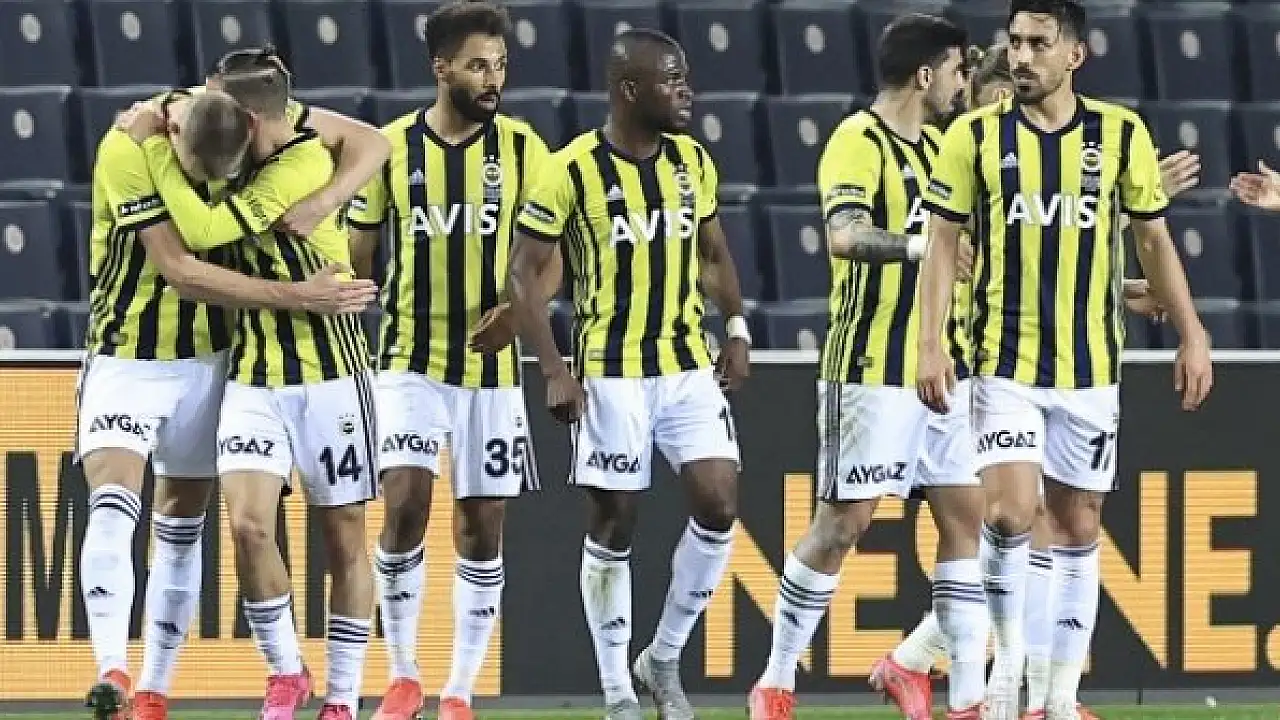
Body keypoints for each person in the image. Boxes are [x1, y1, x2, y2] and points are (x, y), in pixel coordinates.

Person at [870, 41, 1203, 720]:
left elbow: (1054, 260)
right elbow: (1011, 257)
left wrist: (1128, 278)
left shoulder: (1046, 157)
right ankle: (991, 688)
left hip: (1040, 365)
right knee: (1008, 525)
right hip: (978, 363)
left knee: (1030, 533)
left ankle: (965, 679)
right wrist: (1126, 212)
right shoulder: (972, 166)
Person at [79, 56, 383, 720]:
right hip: (204, 364)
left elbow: (371, 140)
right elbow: (182, 263)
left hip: (309, 366)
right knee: (230, 522)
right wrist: (152, 145)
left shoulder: (291, 153)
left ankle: (339, 698)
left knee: (339, 534)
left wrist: (325, 200)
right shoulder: (144, 141)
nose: (212, 178)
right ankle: (137, 673)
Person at [505, 28, 749, 720]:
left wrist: (736, 326)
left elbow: (713, 253)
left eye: (685, 77)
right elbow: (523, 274)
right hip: (610, 373)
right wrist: (553, 368)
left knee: (719, 505)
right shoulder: (570, 170)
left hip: (685, 365)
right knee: (616, 519)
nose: (687, 91)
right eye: (672, 80)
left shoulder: (692, 161)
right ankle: (617, 691)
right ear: (630, 90)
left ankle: (662, 657)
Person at [745, 15, 982, 720]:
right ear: (925, 74)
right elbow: (844, 235)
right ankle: (775, 681)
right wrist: (923, 247)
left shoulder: (943, 148)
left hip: (947, 367)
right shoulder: (857, 139)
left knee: (969, 522)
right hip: (872, 368)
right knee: (843, 525)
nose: (962, 84)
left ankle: (964, 697)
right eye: (956, 70)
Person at [343, 3, 557, 719]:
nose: (492, 79)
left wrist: (519, 314)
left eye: (500, 65)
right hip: (409, 359)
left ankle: (460, 690)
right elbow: (359, 254)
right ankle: (403, 675)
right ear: (441, 69)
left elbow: (553, 257)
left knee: (483, 525)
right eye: (477, 66)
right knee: (405, 503)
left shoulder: (525, 150)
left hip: (491, 373)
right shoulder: (391, 147)